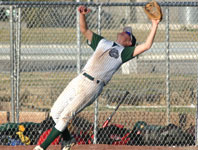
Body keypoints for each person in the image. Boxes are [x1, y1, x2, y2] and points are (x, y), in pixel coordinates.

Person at [34, 5, 160, 150]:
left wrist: (154, 24)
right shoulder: (103, 42)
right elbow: (84, 30)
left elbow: (147, 45)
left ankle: (42, 147)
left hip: (92, 85)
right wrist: (82, 15)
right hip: (80, 78)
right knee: (55, 113)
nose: (124, 32)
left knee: (66, 116)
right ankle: (68, 140)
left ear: (129, 42)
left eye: (127, 33)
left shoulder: (123, 53)